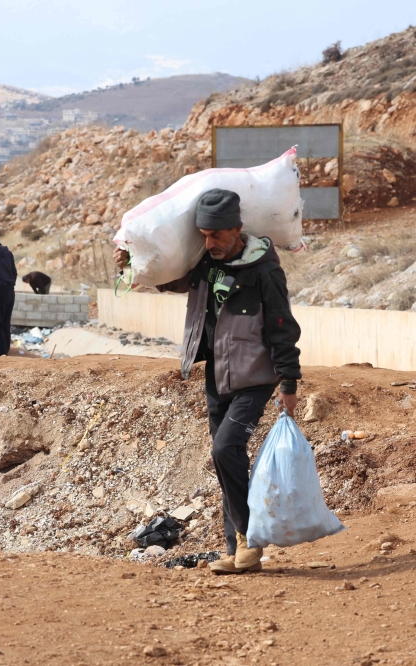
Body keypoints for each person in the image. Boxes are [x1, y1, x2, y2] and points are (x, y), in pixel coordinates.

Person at [113, 188, 301, 576]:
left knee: (224, 449)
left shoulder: (264, 268)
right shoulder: (206, 263)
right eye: (203, 235)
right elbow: (168, 278)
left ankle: (250, 540)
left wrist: (289, 383)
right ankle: (236, 549)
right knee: (227, 461)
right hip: (216, 376)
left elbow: (282, 326)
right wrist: (132, 263)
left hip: (255, 378)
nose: (209, 242)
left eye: (216, 235)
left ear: (236, 229)